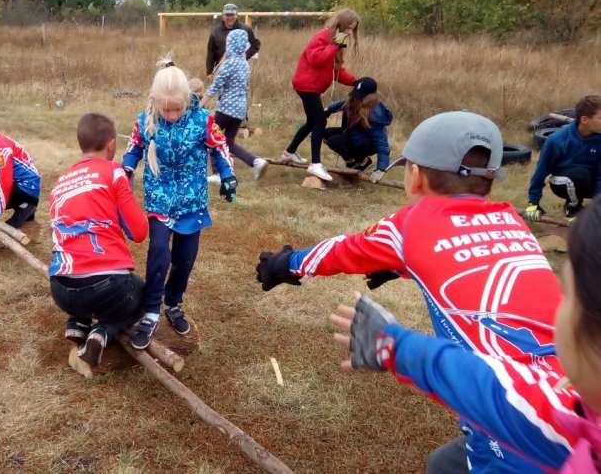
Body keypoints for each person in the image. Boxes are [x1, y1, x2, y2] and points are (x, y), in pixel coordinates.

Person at [256, 111, 565, 472]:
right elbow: (473, 262)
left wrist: (285, 263)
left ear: (415, 176)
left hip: (511, 413)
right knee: (443, 465)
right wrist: (402, 267)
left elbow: (340, 251)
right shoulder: (512, 221)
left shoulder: (408, 226)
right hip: (573, 389)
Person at [330, 197, 601, 473]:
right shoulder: (581, 413)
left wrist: (395, 347)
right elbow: (493, 387)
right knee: (445, 463)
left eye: (567, 295)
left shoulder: (555, 422)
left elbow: (496, 393)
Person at [122, 62, 237, 349]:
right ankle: (150, 311)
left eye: (177, 109)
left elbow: (220, 148)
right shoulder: (146, 119)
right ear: (156, 101)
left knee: (184, 259)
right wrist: (127, 168)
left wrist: (227, 175)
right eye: (166, 109)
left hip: (192, 200)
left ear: (188, 100)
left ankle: (173, 302)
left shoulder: (203, 120)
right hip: (159, 195)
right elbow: (135, 146)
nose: (172, 115)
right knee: (159, 251)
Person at [49, 113, 149, 366]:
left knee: (83, 276)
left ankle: (77, 322)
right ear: (112, 143)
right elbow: (138, 233)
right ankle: (103, 333)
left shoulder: (60, 182)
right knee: (145, 294)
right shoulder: (114, 172)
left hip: (60, 289)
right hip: (107, 287)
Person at [282, 9, 361, 181]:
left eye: (352, 30)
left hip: (313, 87)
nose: (349, 33)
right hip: (306, 85)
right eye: (348, 28)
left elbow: (336, 72)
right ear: (341, 24)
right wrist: (334, 44)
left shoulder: (336, 42)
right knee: (320, 120)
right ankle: (315, 164)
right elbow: (317, 60)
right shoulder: (323, 37)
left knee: (312, 122)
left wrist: (355, 81)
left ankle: (289, 152)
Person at [201, 29, 268, 180]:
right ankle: (256, 161)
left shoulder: (229, 64)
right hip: (239, 110)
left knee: (211, 137)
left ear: (230, 44)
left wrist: (200, 104)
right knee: (229, 143)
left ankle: (218, 173)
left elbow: (215, 86)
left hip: (226, 109)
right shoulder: (244, 64)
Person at [526, 95, 601, 220]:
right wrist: (533, 204)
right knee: (579, 175)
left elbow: (600, 175)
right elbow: (541, 172)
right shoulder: (557, 140)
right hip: (563, 180)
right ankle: (573, 207)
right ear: (585, 120)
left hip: (590, 179)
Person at [321, 77, 392, 182]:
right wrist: (327, 110)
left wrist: (381, 169)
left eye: (360, 96)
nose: (356, 98)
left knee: (334, 141)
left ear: (370, 96)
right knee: (323, 134)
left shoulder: (375, 114)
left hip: (365, 144)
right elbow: (341, 103)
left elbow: (382, 144)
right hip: (351, 135)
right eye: (356, 94)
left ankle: (362, 161)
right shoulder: (354, 100)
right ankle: (354, 163)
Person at [205, 3, 260, 77]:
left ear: (236, 15)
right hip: (221, 71)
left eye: (232, 15)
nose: (230, 17)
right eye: (227, 15)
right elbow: (211, 52)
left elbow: (255, 45)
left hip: (240, 71)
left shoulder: (245, 29)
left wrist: (245, 56)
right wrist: (209, 72)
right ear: (223, 16)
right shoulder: (215, 32)